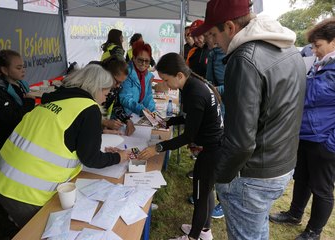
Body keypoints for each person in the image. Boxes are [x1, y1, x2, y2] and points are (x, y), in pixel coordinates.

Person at [191, 0, 306, 239]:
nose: (212, 43)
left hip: (253, 175)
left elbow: (241, 143)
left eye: (214, 34)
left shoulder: (244, 59)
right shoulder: (288, 48)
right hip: (281, 165)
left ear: (230, 28)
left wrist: (220, 178)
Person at [0, 65, 130, 228]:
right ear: (96, 88)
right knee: (42, 230)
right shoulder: (89, 109)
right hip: (27, 192)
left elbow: (63, 135)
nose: (106, 98)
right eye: (106, 93)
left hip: (0, 178)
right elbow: (91, 158)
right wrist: (119, 157)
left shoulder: (56, 100)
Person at [139, 53, 223, 240]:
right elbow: (190, 118)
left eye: (167, 80)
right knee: (206, 189)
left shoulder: (194, 92)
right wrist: (168, 122)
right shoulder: (193, 85)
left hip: (213, 150)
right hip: (214, 147)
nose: (166, 85)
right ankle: (205, 230)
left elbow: (188, 136)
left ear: (179, 75)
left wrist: (158, 147)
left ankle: (193, 237)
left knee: (201, 194)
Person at [270, 18, 335, 240]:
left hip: (324, 140)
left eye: (318, 46)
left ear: (333, 42)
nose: (314, 51)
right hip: (306, 134)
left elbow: (311, 95)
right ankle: (294, 213)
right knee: (302, 178)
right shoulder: (321, 64)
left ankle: (313, 231)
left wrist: (330, 144)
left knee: (322, 188)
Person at [0, 50, 35, 152]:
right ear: (5, 70)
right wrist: (30, 103)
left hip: (22, 139)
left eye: (23, 66)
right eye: (18, 68)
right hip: (8, 143)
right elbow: (13, 119)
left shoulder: (22, 85)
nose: (23, 70)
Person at [89, 57, 136, 136]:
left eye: (121, 83)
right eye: (117, 82)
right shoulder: (90, 89)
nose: (118, 86)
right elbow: (85, 116)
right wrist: (104, 122)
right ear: (107, 74)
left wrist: (127, 120)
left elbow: (116, 105)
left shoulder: (114, 87)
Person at [119, 41, 155, 116]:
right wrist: (140, 109)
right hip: (125, 115)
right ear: (134, 58)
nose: (143, 64)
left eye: (147, 61)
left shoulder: (147, 75)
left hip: (137, 114)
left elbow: (148, 96)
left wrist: (153, 111)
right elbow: (125, 98)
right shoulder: (126, 73)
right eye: (140, 60)